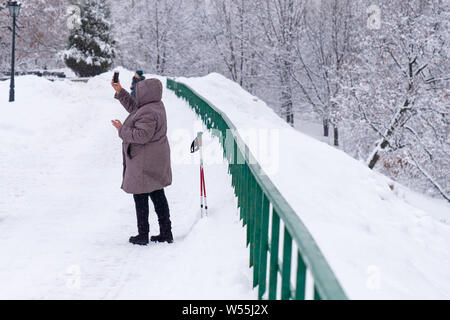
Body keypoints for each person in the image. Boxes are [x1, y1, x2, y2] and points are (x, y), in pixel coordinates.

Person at [111, 76, 173, 246]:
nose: (136, 95)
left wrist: (122, 130)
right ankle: (166, 232)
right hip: (154, 157)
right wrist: (120, 92)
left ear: (146, 94)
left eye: (138, 92)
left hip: (145, 160)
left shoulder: (149, 112)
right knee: (157, 193)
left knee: (140, 195)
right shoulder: (155, 106)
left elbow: (141, 135)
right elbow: (135, 110)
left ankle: (143, 234)